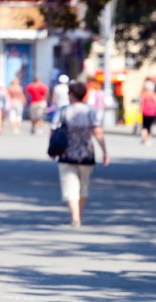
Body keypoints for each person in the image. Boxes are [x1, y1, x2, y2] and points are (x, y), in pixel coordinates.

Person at [49, 81, 109, 228]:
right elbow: (97, 132)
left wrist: (51, 149)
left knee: (70, 187)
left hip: (66, 153)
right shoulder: (90, 112)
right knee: (83, 187)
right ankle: (78, 215)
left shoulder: (63, 111)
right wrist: (105, 152)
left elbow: (53, 131)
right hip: (86, 154)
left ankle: (75, 217)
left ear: (71, 95)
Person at [139, 80, 156, 146]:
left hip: (145, 112)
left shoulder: (144, 94)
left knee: (144, 126)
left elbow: (141, 103)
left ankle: (145, 138)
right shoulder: (155, 95)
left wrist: (140, 110)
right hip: (152, 113)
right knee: (150, 126)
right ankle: (148, 138)